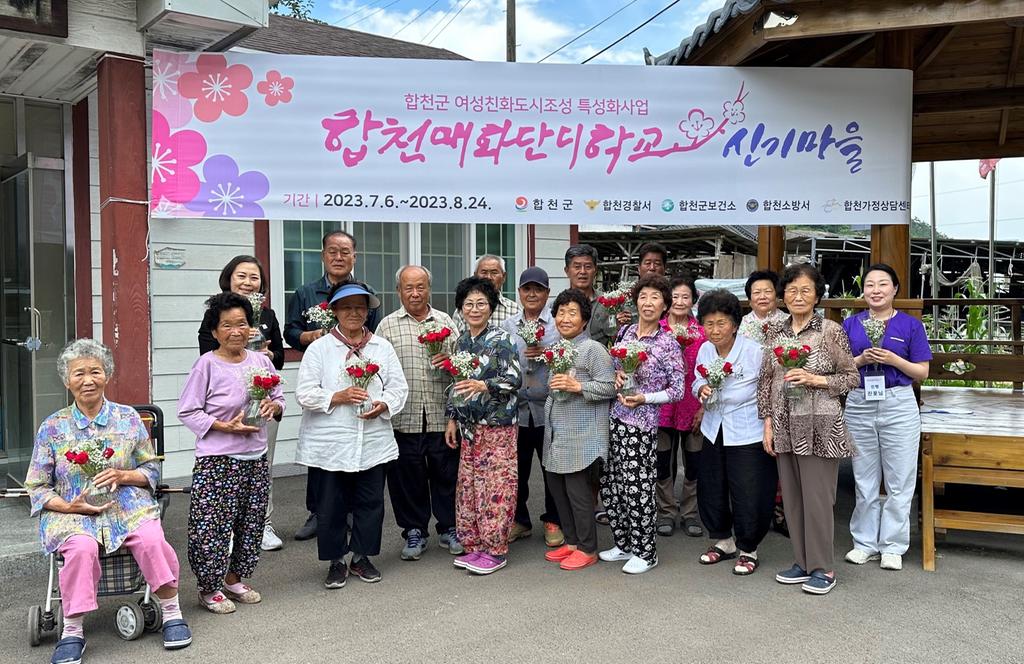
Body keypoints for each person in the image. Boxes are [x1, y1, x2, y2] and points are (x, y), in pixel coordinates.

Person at [26, 340, 192, 664]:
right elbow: (37, 485)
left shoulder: (128, 418)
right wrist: (69, 506)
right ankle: (72, 630)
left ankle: (172, 612)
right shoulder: (52, 427)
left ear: (107, 375)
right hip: (73, 510)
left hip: (125, 504)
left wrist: (123, 475)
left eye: (95, 372)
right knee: (80, 548)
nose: (88, 380)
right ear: (67, 380)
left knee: (151, 538)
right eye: (79, 373)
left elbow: (150, 469)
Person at [294, 281, 408, 588]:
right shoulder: (320, 348)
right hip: (331, 442)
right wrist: (337, 396)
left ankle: (361, 557)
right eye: (346, 307)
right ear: (334, 311)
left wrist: (384, 404)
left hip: (372, 439)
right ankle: (336, 561)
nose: (354, 313)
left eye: (360, 307)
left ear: (368, 311)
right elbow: (304, 392)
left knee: (370, 502)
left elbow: (398, 387)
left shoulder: (381, 347)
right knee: (331, 505)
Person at [179, 292, 285, 614]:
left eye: (241, 324)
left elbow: (278, 397)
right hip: (218, 460)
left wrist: (273, 406)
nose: (236, 331)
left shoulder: (262, 362)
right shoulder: (206, 365)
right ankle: (209, 587)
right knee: (211, 526)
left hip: (255, 456)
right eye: (227, 325)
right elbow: (188, 411)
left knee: (251, 523)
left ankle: (234, 579)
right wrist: (223, 426)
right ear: (215, 331)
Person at [758, 264, 859, 595]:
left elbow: (851, 377)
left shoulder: (830, 330)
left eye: (805, 290)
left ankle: (823, 568)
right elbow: (766, 380)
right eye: (791, 290)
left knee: (817, 500)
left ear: (817, 296)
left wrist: (815, 379)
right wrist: (768, 423)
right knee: (793, 499)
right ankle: (802, 562)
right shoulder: (775, 332)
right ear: (783, 295)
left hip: (820, 427)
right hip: (784, 425)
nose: (797, 296)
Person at [284, 230, 381, 542]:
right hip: (323, 378)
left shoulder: (366, 292)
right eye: (332, 251)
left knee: (356, 446)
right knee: (322, 449)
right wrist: (309, 337)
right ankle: (318, 512)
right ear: (323, 255)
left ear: (355, 256)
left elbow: (372, 333)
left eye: (345, 252)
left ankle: (351, 512)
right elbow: (290, 331)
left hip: (360, 377)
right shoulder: (305, 292)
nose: (339, 257)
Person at [843, 263, 931, 572]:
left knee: (900, 479)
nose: (876, 290)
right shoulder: (850, 324)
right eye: (869, 285)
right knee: (864, 477)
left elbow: (922, 371)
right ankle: (864, 543)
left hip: (898, 403)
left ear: (895, 289)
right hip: (860, 401)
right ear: (863, 291)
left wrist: (894, 359)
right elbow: (839, 368)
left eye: (883, 284)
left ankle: (893, 546)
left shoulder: (910, 325)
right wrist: (861, 359)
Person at [198, 255, 286, 552]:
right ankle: (229, 528)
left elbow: (280, 358)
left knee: (262, 467)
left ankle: (262, 523)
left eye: (254, 277)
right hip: (225, 406)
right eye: (242, 276)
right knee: (226, 472)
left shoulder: (268, 314)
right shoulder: (214, 313)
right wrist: (241, 346)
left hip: (262, 404)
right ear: (229, 279)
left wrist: (267, 356)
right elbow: (207, 352)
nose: (248, 282)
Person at [598, 275, 685, 574]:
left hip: (642, 423)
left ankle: (646, 552)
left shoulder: (667, 343)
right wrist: (617, 377)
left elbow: (678, 390)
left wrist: (645, 398)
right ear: (636, 301)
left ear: (665, 306)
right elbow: (615, 368)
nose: (648, 303)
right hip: (614, 417)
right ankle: (623, 544)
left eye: (655, 297)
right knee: (612, 485)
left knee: (637, 486)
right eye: (643, 296)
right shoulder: (625, 331)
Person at [376, 265, 462, 560]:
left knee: (447, 475)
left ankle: (449, 527)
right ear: (398, 291)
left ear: (429, 289)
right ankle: (414, 531)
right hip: (404, 417)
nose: (415, 293)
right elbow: (380, 373)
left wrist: (449, 360)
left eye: (420, 286)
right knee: (406, 479)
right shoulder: (387, 326)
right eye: (408, 287)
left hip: (441, 415)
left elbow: (462, 366)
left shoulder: (445, 322)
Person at [692, 290, 777, 576]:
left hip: (746, 431)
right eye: (709, 323)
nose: (715, 330)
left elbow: (766, 390)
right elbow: (696, 380)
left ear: (735, 324)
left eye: (721, 323)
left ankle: (748, 548)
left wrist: (769, 425)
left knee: (749, 490)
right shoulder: (705, 350)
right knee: (712, 486)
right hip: (714, 429)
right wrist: (701, 389)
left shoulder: (754, 352)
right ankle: (723, 540)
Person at [444, 277, 522, 575]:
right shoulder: (461, 342)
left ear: (491, 308)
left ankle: (496, 550)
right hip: (468, 427)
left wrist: (484, 385)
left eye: (481, 304)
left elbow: (514, 379)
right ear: (460, 308)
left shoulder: (502, 339)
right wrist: (452, 418)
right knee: (469, 487)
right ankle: (474, 544)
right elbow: (455, 384)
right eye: (469, 304)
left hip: (497, 426)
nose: (474, 309)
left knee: (496, 487)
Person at [542, 289, 617, 571]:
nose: (565, 318)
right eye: (561, 312)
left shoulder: (593, 349)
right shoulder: (558, 349)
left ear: (584, 320)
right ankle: (572, 542)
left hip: (582, 435)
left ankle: (588, 548)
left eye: (572, 313)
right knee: (558, 490)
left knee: (578, 494)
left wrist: (578, 386)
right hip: (557, 433)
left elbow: (610, 387)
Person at [501, 267, 563, 548]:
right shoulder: (508, 326)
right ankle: (520, 520)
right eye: (527, 289)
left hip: (549, 408)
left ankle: (553, 519)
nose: (532, 294)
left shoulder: (557, 324)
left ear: (547, 293)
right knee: (518, 469)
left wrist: (546, 355)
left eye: (538, 289)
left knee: (551, 469)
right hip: (517, 409)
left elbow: (568, 358)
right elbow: (502, 362)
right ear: (519, 292)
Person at [739, 269, 789, 536]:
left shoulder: (788, 321)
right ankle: (756, 509)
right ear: (749, 298)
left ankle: (781, 511)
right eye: (756, 292)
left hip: (782, 394)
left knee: (780, 453)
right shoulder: (740, 324)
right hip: (748, 397)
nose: (762, 296)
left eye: (767, 291)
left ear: (777, 295)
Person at [656, 275, 706, 538]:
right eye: (675, 296)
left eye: (685, 297)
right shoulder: (658, 329)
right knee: (662, 462)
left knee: (694, 462)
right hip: (662, 407)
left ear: (693, 301)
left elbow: (710, 373)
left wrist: (704, 407)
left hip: (692, 405)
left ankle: (689, 512)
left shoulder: (702, 333)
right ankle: (665, 511)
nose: (679, 301)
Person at [452, 254, 521, 333]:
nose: (489, 277)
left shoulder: (514, 310)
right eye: (484, 272)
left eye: (494, 272)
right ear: (475, 275)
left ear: (504, 277)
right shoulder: (462, 311)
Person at [610, 241, 669, 329]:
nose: (652, 268)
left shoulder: (674, 297)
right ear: (639, 268)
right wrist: (617, 324)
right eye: (648, 263)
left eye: (657, 264)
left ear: (665, 268)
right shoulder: (623, 297)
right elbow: (610, 328)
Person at [564, 244, 612, 348]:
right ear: (567, 271)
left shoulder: (608, 304)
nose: (582, 272)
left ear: (595, 270)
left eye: (588, 267)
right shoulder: (557, 306)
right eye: (577, 267)